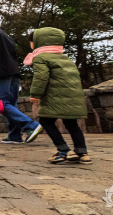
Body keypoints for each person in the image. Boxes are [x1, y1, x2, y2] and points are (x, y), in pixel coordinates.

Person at [0, 11, 43, 144]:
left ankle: (31, 126)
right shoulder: (4, 34)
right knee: (11, 104)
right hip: (12, 71)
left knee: (1, 103)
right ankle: (15, 135)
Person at [25, 28, 91, 164]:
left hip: (53, 96)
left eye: (32, 41)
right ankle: (82, 152)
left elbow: (41, 77)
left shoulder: (40, 58)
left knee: (46, 121)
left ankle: (64, 150)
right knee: (72, 124)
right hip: (72, 96)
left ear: (38, 42)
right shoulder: (65, 58)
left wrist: (35, 94)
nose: (31, 44)